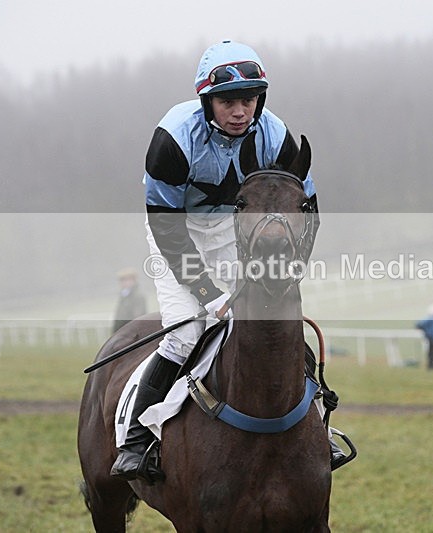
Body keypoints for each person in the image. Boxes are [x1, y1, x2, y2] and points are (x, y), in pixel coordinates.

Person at [111, 40, 331, 481]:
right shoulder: (173, 140)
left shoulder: (276, 136)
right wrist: (208, 293)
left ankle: (318, 429)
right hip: (178, 234)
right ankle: (135, 440)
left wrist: (290, 271)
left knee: (277, 323)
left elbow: (308, 212)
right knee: (186, 333)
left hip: (238, 233)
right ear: (206, 101)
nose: (240, 112)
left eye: (248, 100)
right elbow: (167, 229)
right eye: (228, 102)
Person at [112, 268, 148, 333]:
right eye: (123, 280)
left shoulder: (138, 296)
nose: (125, 283)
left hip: (131, 332)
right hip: (121, 331)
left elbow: (138, 316)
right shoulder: (123, 296)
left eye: (128, 280)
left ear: (134, 280)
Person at [415, 303, 433, 370]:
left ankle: (431, 367)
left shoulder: (430, 318)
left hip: (430, 338)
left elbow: (420, 324)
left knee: (430, 353)